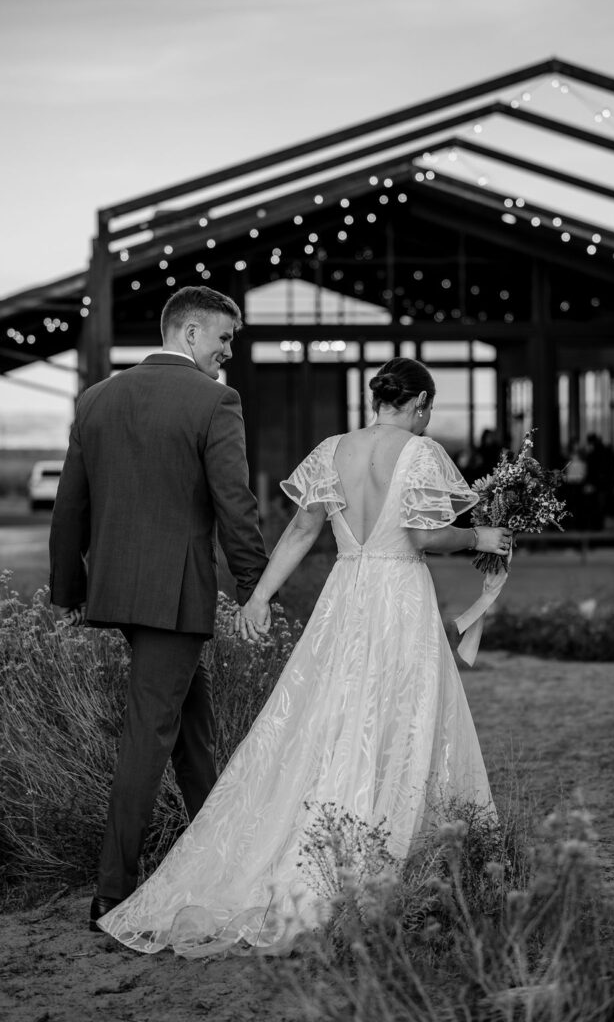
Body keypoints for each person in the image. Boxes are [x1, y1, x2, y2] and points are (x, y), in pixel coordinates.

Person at [97, 357, 511, 957]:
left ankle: (323, 832)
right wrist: (481, 537)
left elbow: (298, 532)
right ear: (417, 401)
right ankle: (391, 840)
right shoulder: (422, 453)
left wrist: (259, 597)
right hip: (399, 597)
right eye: (428, 406)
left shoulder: (331, 450)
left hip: (346, 597)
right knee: (402, 711)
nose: (427, 417)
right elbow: (423, 535)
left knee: (330, 714)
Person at [49, 285, 269, 933]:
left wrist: (68, 590)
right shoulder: (215, 400)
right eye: (225, 338)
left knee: (191, 735)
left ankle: (215, 860)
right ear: (192, 333)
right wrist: (255, 587)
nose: (229, 351)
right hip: (174, 597)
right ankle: (113, 892)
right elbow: (236, 506)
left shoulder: (97, 399)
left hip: (121, 592)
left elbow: (70, 507)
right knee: (150, 737)